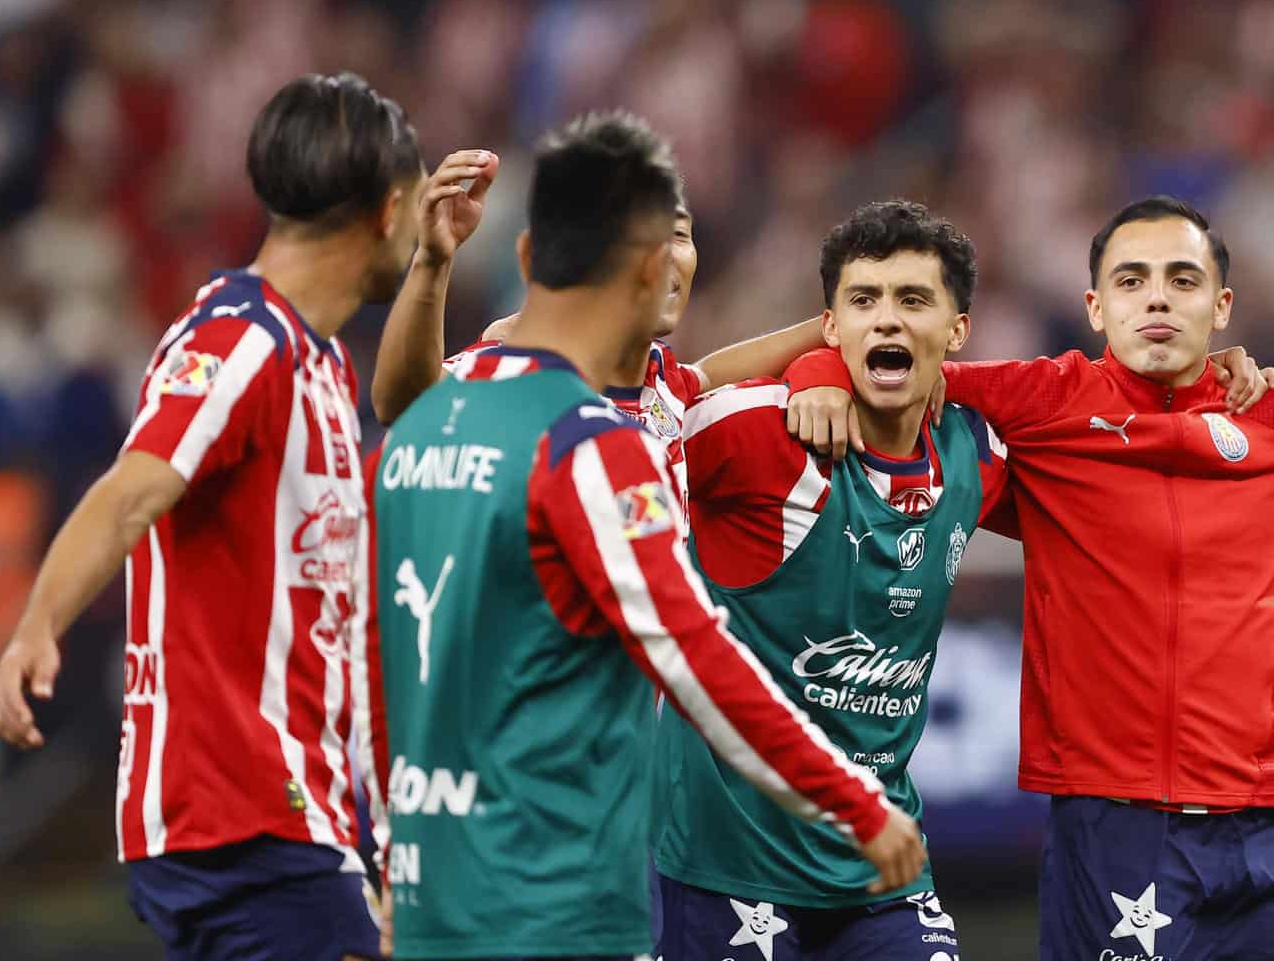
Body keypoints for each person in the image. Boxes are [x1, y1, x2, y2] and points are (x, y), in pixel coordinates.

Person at [787, 134, 1274, 961]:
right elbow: (884, 362)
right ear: (1095, 308)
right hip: (1116, 831)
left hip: (1262, 821)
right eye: (1131, 281)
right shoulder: (1045, 398)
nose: (1156, 298)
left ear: (1221, 308)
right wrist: (815, 376)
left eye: (1182, 280)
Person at [365, 114, 925, 961]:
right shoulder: (578, 439)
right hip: (554, 866)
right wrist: (849, 802)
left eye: (686, 234)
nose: (673, 256)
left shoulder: (459, 431)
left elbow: (379, 657)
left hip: (468, 857)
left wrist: (832, 338)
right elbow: (694, 654)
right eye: (657, 239)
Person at [0, 73, 429, 961]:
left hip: (304, 810)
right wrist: (38, 624)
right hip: (244, 812)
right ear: (386, 212)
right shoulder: (241, 338)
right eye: (417, 210)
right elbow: (131, 490)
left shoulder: (323, 365)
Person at [652, 200, 1010, 961]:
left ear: (957, 331)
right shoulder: (755, 430)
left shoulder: (977, 452)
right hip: (724, 866)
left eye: (912, 300)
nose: (887, 319)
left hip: (879, 865)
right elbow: (647, 411)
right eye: (863, 300)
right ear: (830, 326)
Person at [368, 149, 830, 502]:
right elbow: (409, 402)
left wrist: (835, 332)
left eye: (678, 234)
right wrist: (433, 260)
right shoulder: (518, 369)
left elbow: (706, 374)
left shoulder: (660, 379)